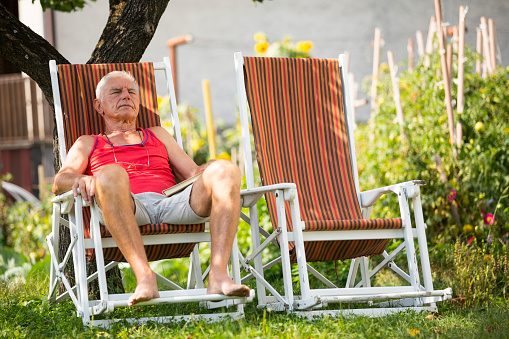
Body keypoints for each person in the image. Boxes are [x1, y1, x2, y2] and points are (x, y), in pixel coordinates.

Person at [52, 70, 250, 306]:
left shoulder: (158, 134)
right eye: (116, 92)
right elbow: (59, 181)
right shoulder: (88, 142)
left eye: (131, 92)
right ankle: (145, 278)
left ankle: (219, 275)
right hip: (126, 205)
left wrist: (216, 168)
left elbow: (193, 173)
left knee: (226, 169)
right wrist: (81, 179)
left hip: (172, 202)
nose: (126, 96)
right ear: (99, 106)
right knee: (112, 173)